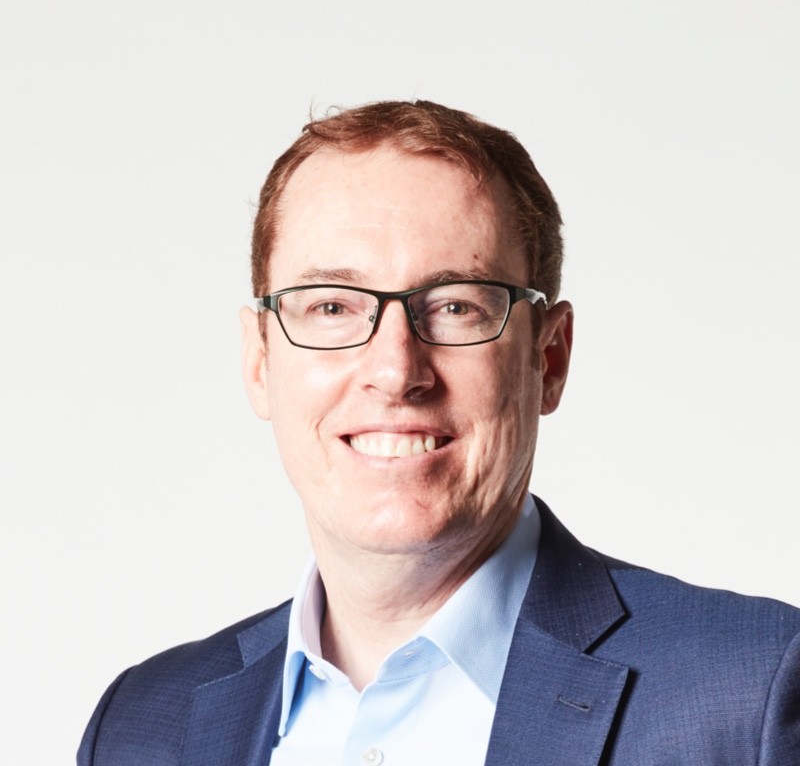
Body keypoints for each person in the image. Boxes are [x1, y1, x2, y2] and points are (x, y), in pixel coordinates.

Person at [78, 100, 800, 765]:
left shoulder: (751, 696)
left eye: (456, 307)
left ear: (549, 359)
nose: (395, 371)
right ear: (260, 362)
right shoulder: (140, 727)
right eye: (331, 306)